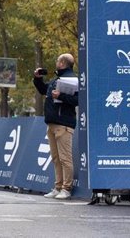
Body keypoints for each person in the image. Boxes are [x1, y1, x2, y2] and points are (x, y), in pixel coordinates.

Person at [33, 53, 78, 200]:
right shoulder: (57, 79)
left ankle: (66, 188)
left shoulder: (72, 79)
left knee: (65, 158)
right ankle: (58, 187)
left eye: (58, 60)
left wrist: (61, 96)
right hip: (52, 123)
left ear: (63, 63)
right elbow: (43, 90)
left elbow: (78, 100)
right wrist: (38, 79)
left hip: (63, 124)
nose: (56, 62)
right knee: (56, 158)